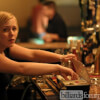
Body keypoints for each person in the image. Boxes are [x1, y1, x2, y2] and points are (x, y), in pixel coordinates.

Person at [0, 11, 78, 100]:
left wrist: (61, 57)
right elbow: (21, 68)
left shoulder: (7, 47)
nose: (12, 33)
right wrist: (57, 68)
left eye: (14, 29)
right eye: (5, 30)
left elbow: (32, 54)